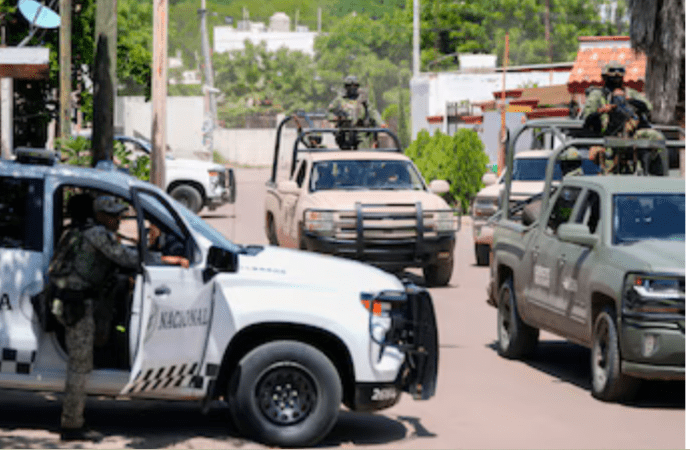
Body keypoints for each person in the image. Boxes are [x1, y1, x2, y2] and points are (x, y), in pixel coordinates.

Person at [49, 195, 140, 442]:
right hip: (77, 305)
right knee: (80, 367)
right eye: (113, 216)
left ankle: (74, 417)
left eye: (120, 216)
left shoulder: (75, 232)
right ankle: (71, 425)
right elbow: (127, 259)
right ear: (99, 215)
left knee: (81, 362)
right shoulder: (98, 234)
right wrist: (160, 258)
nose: (118, 221)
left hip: (66, 302)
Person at [583, 61, 665, 174]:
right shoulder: (598, 95)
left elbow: (647, 108)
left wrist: (629, 101)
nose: (616, 77)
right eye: (612, 74)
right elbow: (588, 119)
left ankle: (647, 171)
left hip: (632, 137)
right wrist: (602, 111)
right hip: (607, 139)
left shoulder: (630, 93)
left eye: (619, 74)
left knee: (655, 136)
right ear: (605, 77)